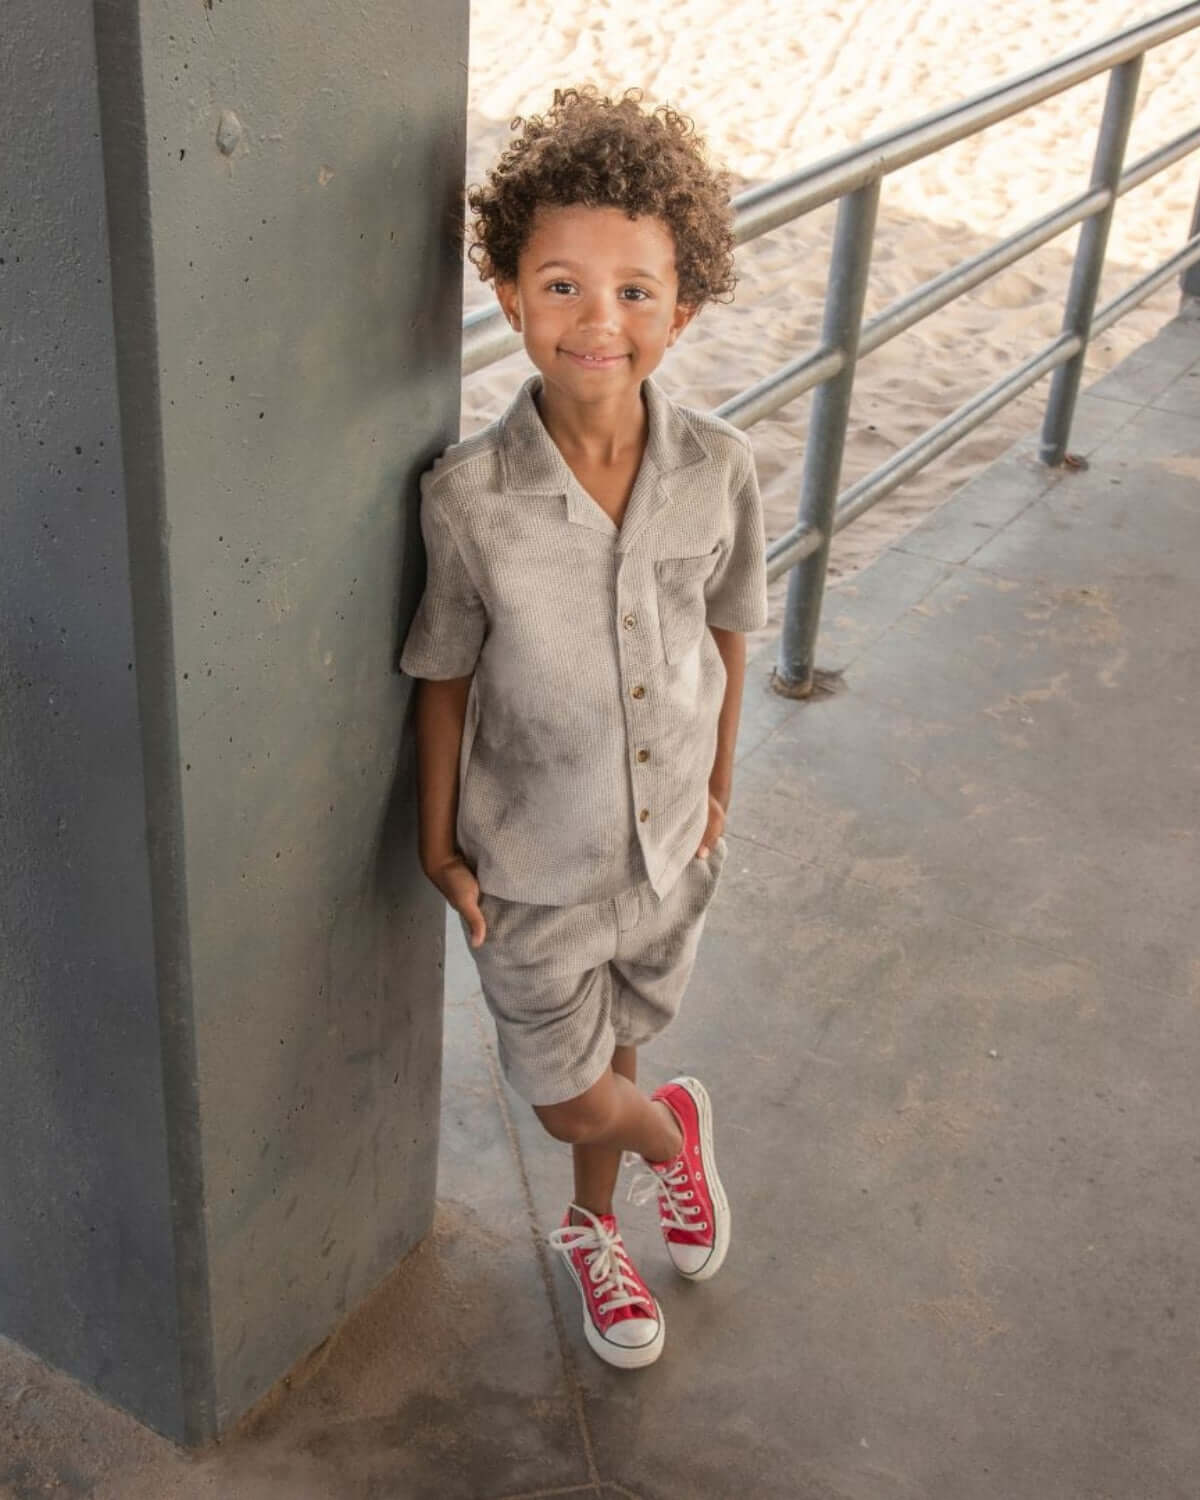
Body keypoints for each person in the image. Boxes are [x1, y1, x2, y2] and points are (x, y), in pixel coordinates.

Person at [400, 86, 767, 1369]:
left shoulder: (720, 467)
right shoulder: (469, 503)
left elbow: (727, 629)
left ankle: (596, 1234)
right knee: (569, 1097)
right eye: (559, 285)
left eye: (632, 292)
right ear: (506, 293)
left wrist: (719, 789)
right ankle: (670, 1133)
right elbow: (442, 675)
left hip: (670, 851)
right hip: (534, 867)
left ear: (684, 305)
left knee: (616, 1040)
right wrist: (443, 846)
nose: (595, 321)